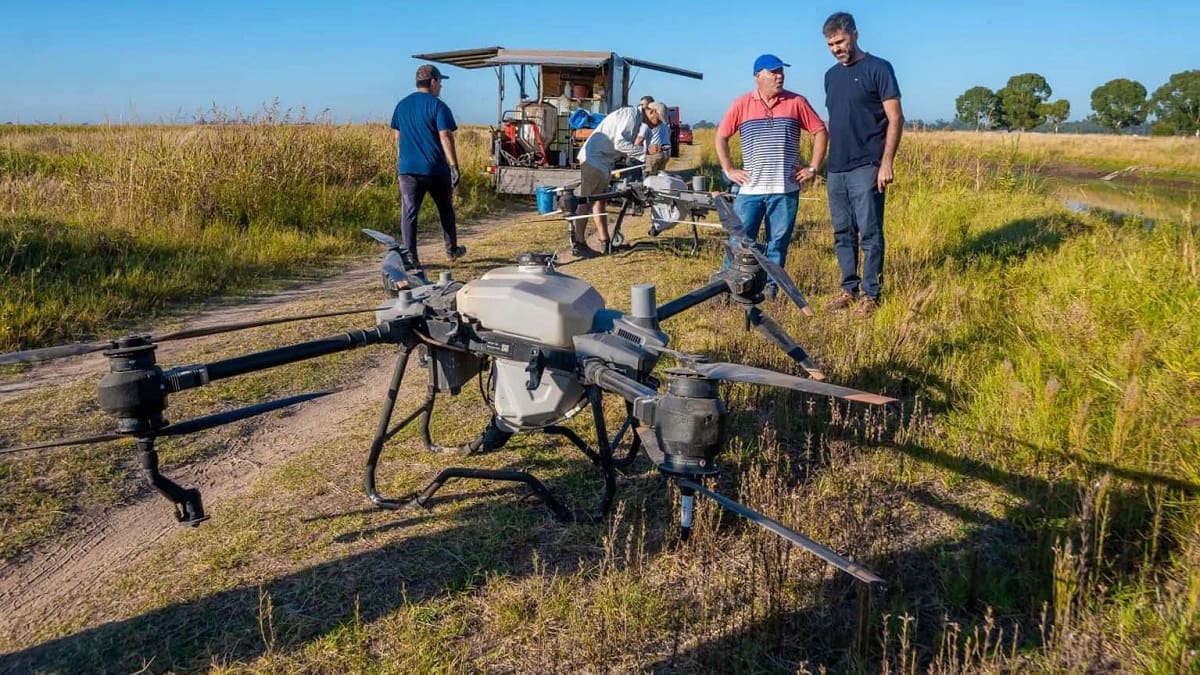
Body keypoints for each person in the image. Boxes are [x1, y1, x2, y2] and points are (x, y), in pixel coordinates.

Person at [716, 54, 828, 299]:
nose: (780, 77)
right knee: (738, 242)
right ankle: (728, 289)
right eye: (773, 72)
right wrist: (729, 169)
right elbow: (721, 136)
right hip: (750, 191)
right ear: (758, 76)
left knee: (777, 244)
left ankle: (771, 289)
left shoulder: (796, 102)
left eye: (781, 72)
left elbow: (820, 131)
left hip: (785, 191)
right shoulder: (741, 104)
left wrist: (813, 167)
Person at [821, 12, 904, 317]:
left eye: (840, 41)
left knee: (870, 232)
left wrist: (886, 163)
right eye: (830, 44)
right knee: (842, 233)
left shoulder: (878, 68)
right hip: (837, 168)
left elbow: (896, 118)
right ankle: (848, 289)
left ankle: (871, 294)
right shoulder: (830, 76)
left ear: (854, 35)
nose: (836, 49)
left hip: (867, 165)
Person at [389, 63, 466, 277]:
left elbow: (397, 137)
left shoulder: (401, 106)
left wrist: (402, 160)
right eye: (440, 82)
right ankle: (451, 250)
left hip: (407, 170)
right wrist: (454, 165)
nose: (441, 86)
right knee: (445, 209)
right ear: (432, 82)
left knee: (409, 213)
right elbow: (445, 136)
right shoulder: (438, 106)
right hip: (435, 169)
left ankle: (411, 258)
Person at [574, 101, 666, 256]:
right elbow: (620, 143)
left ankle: (605, 242)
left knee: (599, 201)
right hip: (594, 159)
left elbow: (623, 144)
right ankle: (579, 243)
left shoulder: (636, 119)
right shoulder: (631, 116)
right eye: (658, 120)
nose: (658, 125)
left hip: (602, 161)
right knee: (586, 201)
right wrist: (645, 152)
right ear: (652, 112)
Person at [635, 97, 672, 175]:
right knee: (660, 175)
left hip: (653, 154)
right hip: (665, 153)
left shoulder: (648, 122)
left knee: (650, 178)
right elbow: (669, 134)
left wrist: (631, 152)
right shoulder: (664, 121)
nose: (641, 107)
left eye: (643, 105)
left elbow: (639, 139)